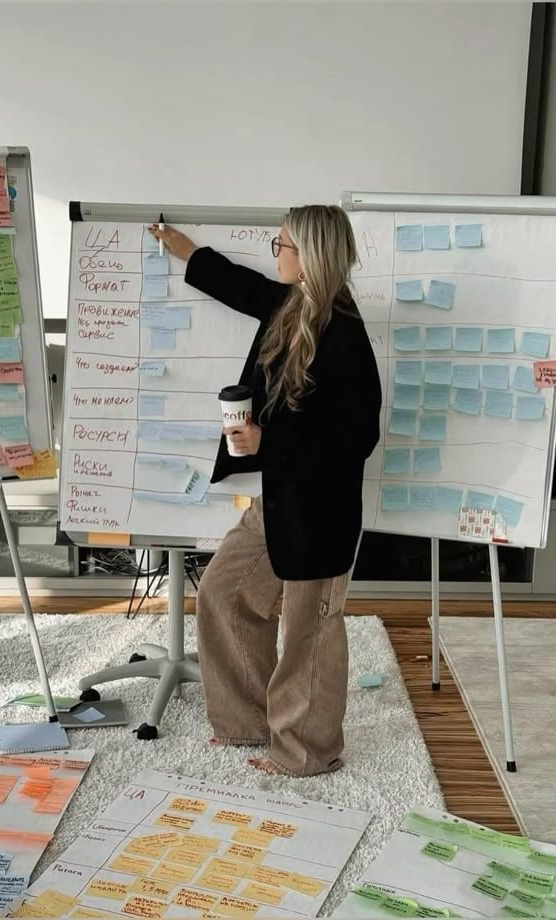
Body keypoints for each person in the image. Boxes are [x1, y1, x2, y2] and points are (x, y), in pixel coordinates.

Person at [149, 205, 382, 777]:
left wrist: (266, 444)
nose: (274, 253)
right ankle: (247, 721)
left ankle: (307, 751)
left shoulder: (345, 335)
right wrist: (185, 249)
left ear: (310, 256)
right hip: (278, 501)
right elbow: (238, 285)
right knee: (224, 596)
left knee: (309, 633)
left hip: (320, 515)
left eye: (282, 245)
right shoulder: (289, 306)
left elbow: (356, 438)